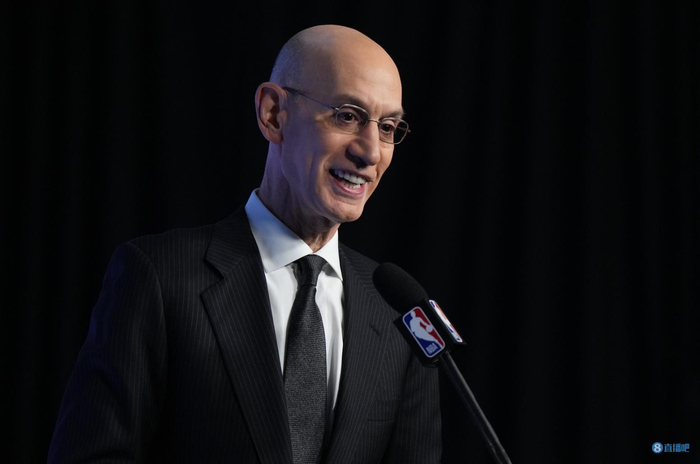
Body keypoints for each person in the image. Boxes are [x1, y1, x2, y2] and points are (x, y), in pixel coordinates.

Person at [48, 25, 441, 463]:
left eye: (387, 127)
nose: (370, 152)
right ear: (273, 114)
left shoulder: (399, 314)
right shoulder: (158, 277)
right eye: (347, 116)